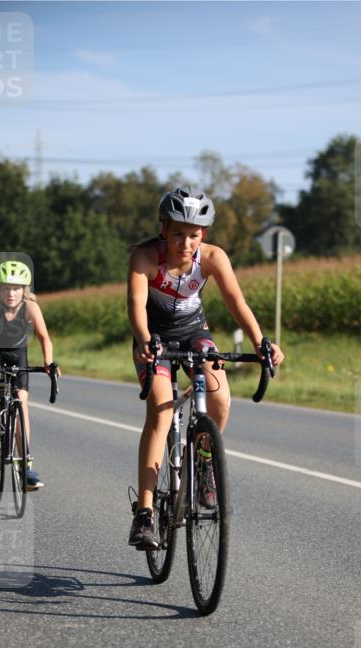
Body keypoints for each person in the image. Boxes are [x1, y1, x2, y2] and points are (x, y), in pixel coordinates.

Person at [127, 186, 284, 548]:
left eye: (193, 235)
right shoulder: (145, 258)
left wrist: (261, 342)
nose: (185, 243)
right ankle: (146, 514)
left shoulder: (213, 257)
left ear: (204, 235)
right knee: (162, 411)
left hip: (196, 332)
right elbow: (136, 306)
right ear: (164, 228)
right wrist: (144, 339)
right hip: (156, 337)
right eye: (178, 233)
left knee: (221, 400)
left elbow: (235, 302)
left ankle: (204, 460)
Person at [0, 260, 57, 490]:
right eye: (6, 288)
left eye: (16, 288)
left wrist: (48, 362)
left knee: (22, 404)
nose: (11, 293)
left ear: (24, 290)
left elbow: (43, 337)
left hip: (18, 355)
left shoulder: (30, 307)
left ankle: (26, 466)